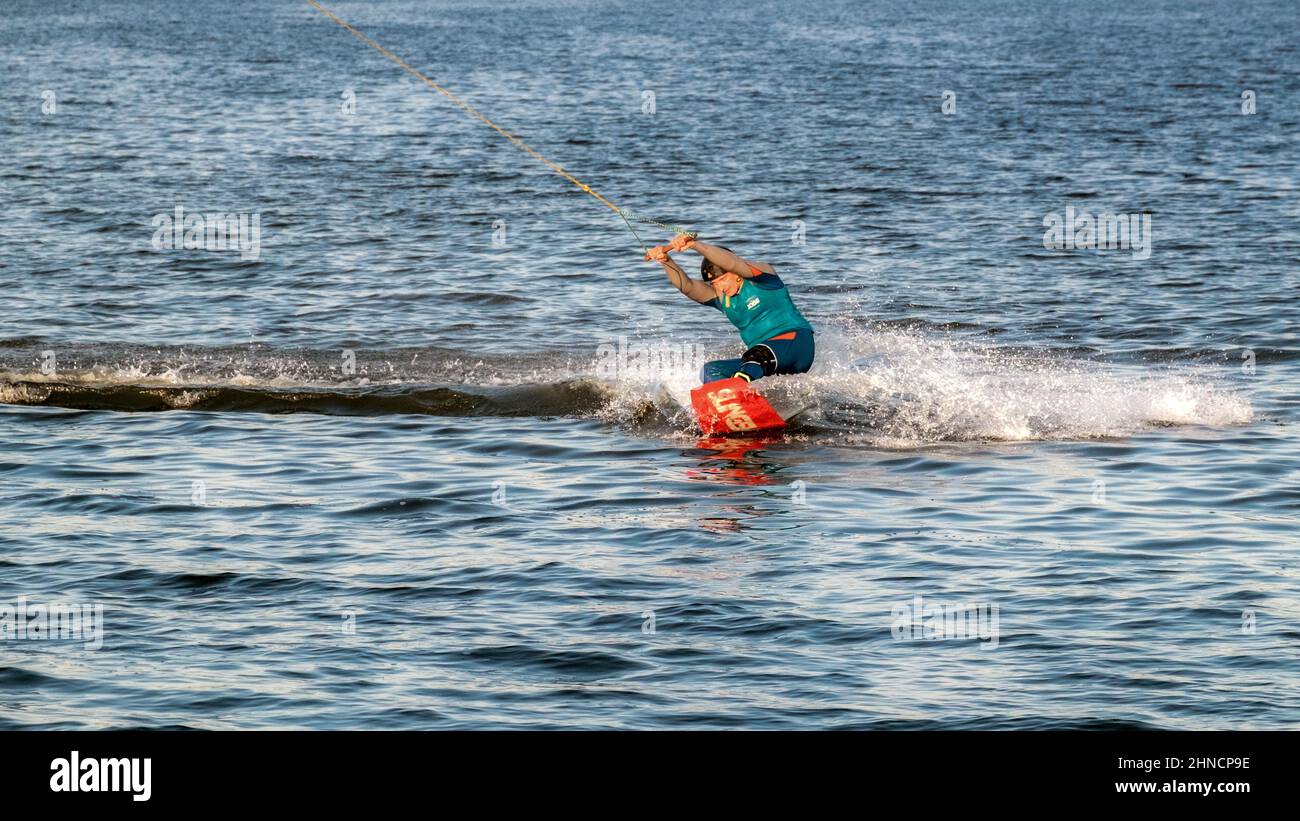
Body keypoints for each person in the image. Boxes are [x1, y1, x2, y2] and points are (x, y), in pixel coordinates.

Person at [646, 234, 815, 384]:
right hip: (762, 362)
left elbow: (733, 263)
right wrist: (666, 261)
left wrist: (695, 245)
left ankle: (739, 394)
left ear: (736, 274)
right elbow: (688, 286)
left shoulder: (764, 278)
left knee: (757, 356)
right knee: (710, 371)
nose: (719, 286)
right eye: (714, 284)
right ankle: (734, 408)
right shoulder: (722, 298)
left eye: (723, 279)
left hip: (797, 345)